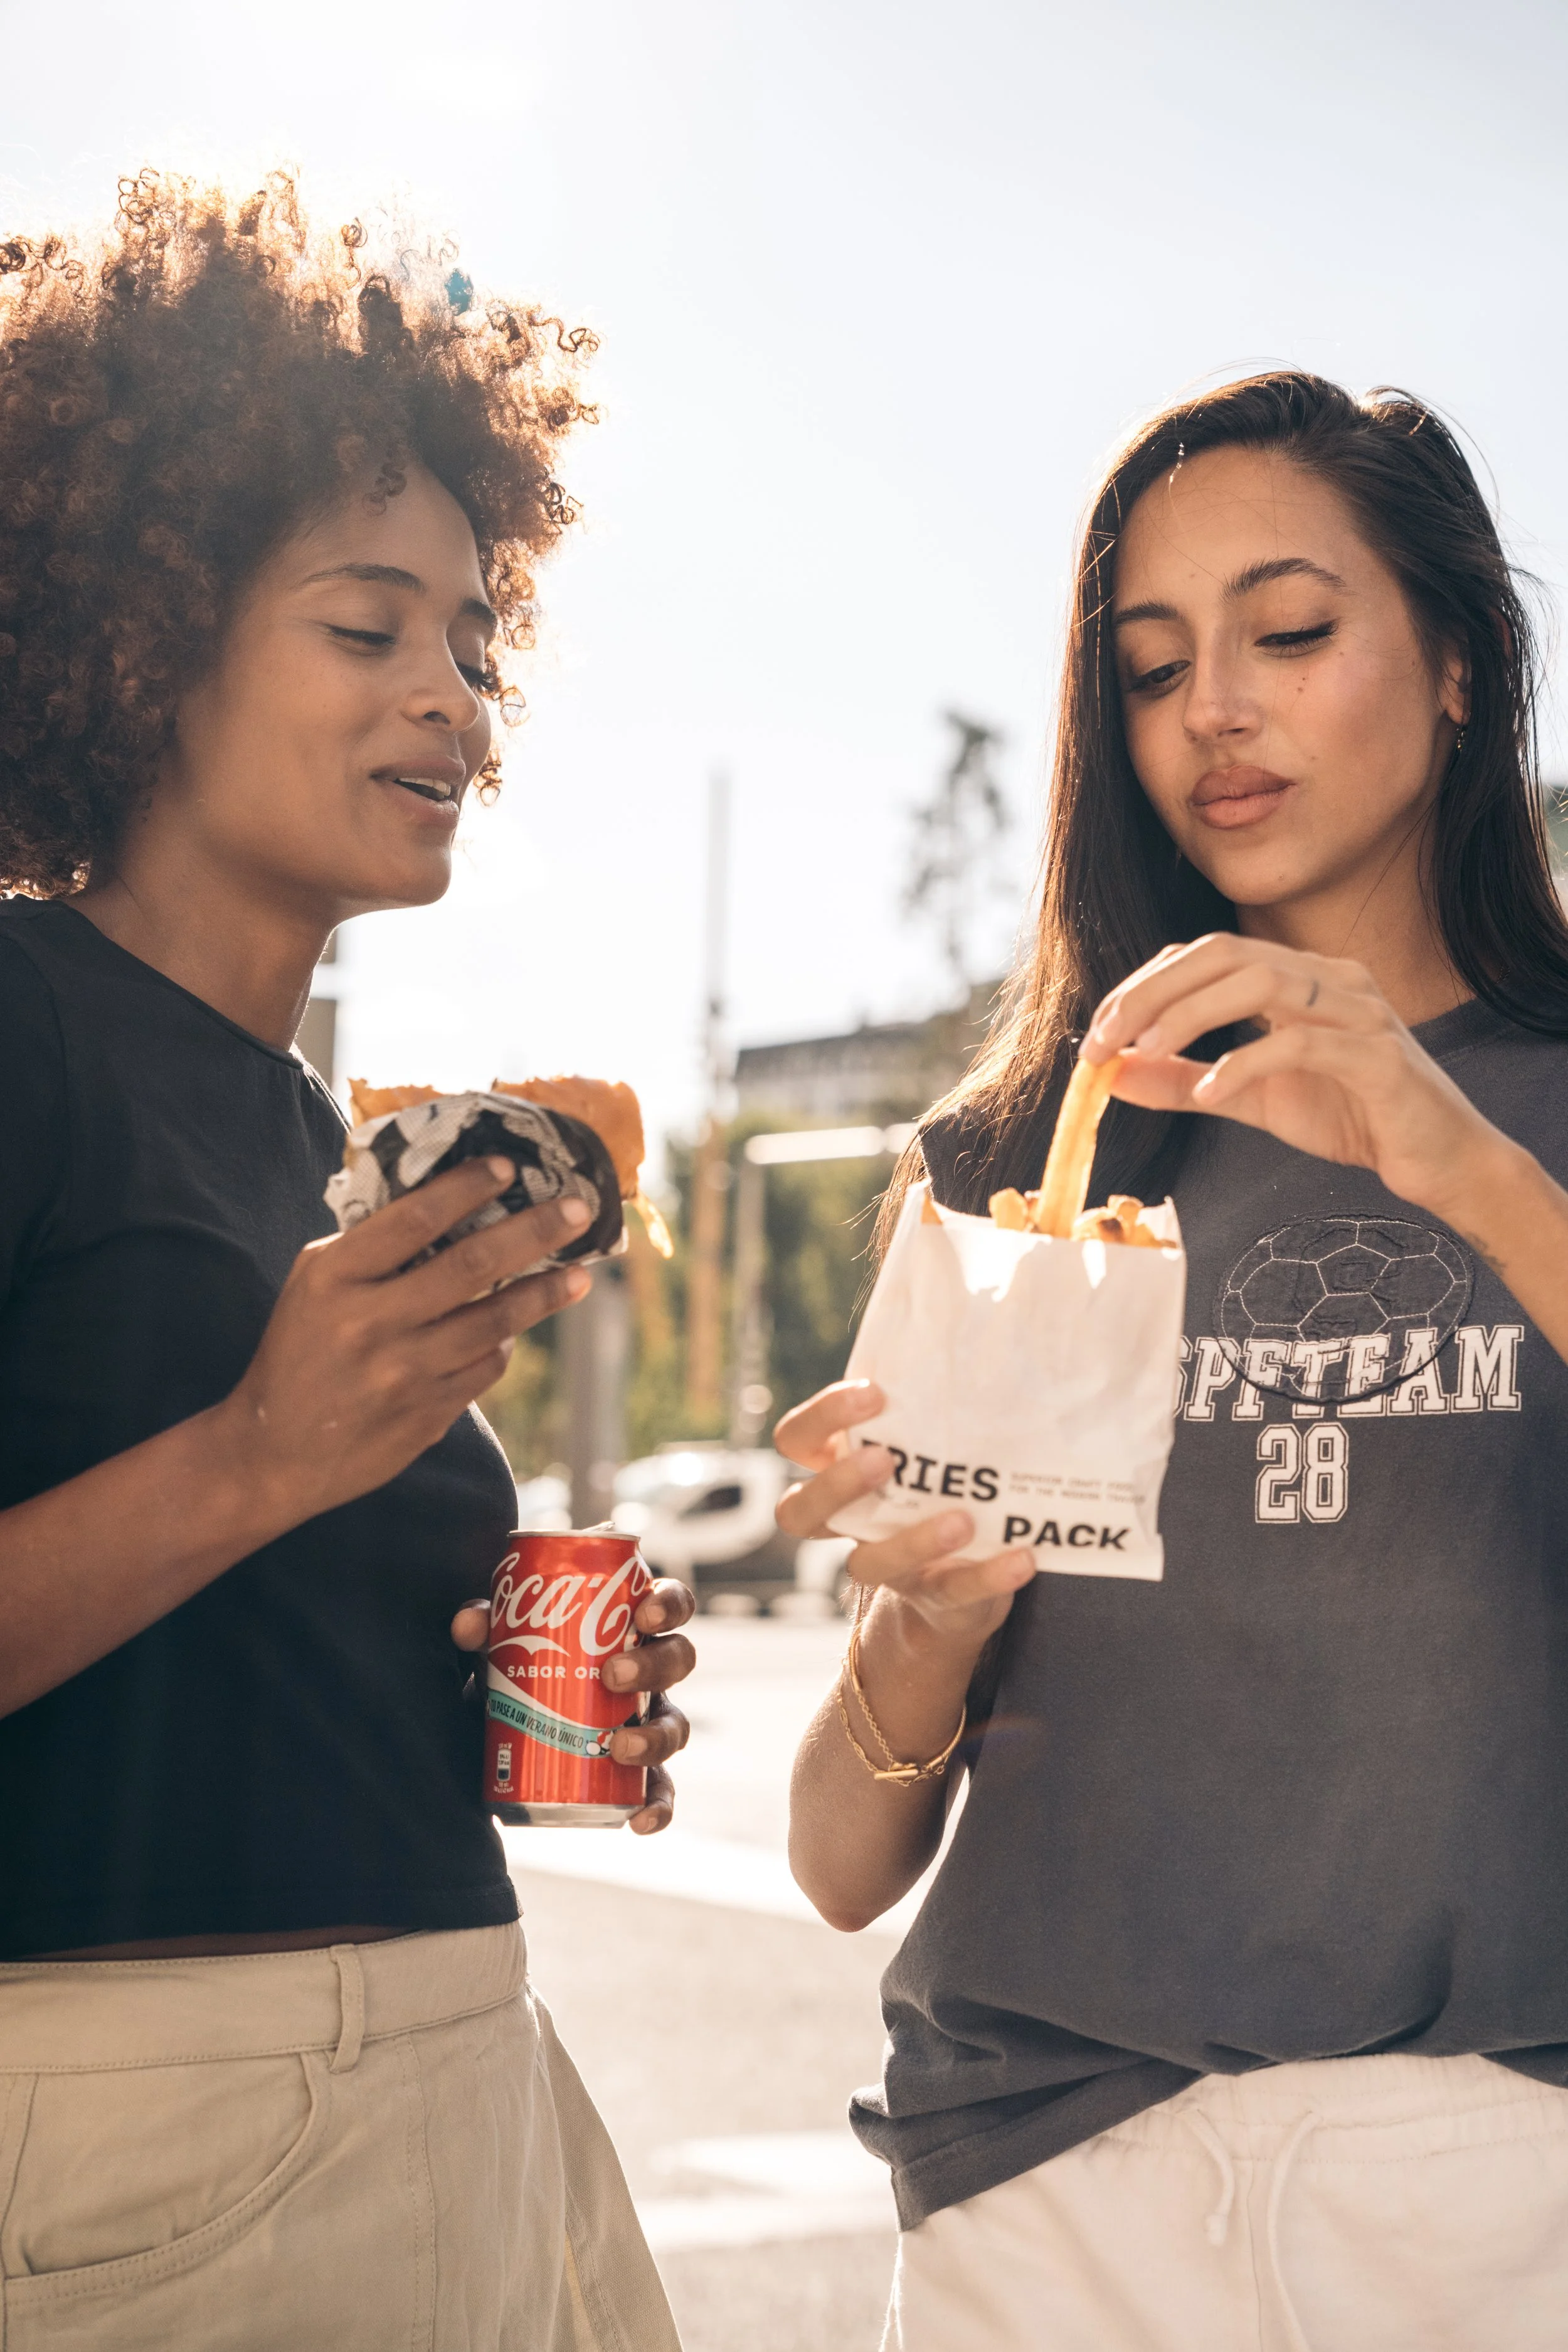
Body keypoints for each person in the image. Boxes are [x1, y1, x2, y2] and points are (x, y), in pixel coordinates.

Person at [779, 371, 1568, 2351]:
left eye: (1287, 633)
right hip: (1043, 2199)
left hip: (1500, 2195)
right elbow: (836, 1859)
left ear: (1461, 663)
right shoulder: (1012, 1164)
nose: (1212, 707)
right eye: (1149, 667)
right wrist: (918, 1632)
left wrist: (1461, 1167)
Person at [0, 172, 689, 2352]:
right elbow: (228, 1489)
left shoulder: (334, 1147)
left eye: (474, 642)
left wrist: (519, 1691)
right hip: (159, 2154)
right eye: (366, 624)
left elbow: (237, 1677)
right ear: (141, 634)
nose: (454, 703)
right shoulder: (20, 1028)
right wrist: (257, 1458)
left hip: (460, 2080)